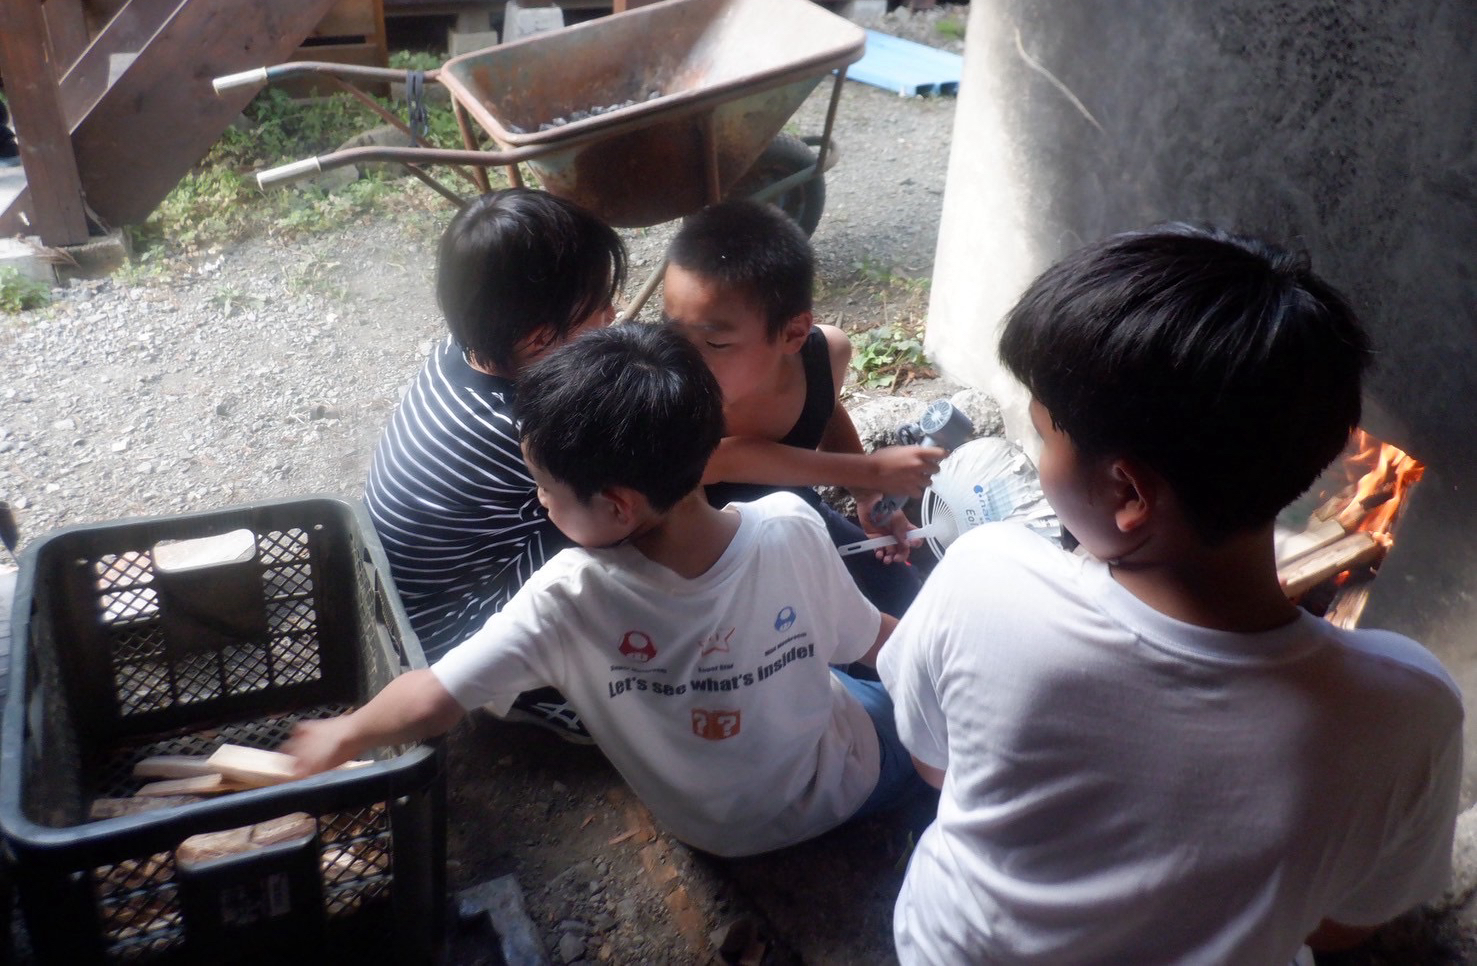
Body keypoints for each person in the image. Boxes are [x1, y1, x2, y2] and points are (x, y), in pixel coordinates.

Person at [877, 223, 1463, 965]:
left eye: (1044, 436)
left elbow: (935, 764)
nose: (1038, 457)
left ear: (1127, 492)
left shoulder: (983, 578)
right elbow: (1343, 924)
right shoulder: (1409, 712)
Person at [290, 323, 925, 856]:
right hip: (834, 784)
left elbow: (432, 697)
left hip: (707, 829)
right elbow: (878, 642)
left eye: (545, 488)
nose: (541, 501)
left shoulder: (564, 597)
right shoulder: (788, 525)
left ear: (618, 506)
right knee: (894, 701)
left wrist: (344, 734)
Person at [364, 188, 625, 738]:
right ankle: (535, 692)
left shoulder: (466, 349)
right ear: (537, 340)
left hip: (409, 599)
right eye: (600, 308)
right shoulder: (523, 426)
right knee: (624, 512)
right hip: (452, 632)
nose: (614, 315)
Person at [662, 200, 945, 617]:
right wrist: (866, 471)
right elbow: (720, 461)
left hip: (795, 517)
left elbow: (824, 410)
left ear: (793, 333)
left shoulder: (825, 355)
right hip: (708, 556)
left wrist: (868, 495)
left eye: (716, 343)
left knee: (901, 595)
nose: (685, 357)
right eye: (672, 332)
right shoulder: (664, 385)